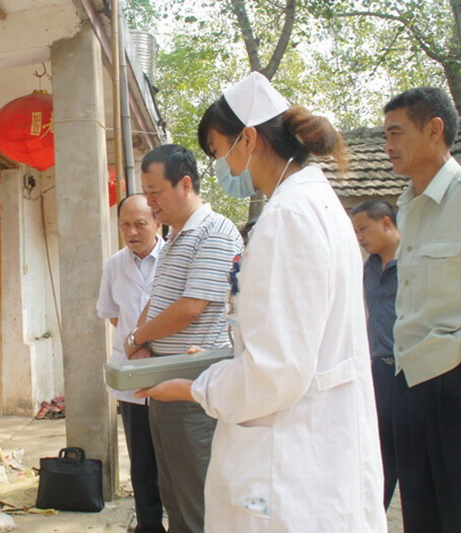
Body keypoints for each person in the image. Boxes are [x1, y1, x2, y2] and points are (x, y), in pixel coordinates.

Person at [137, 72, 385, 531]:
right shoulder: (316, 203)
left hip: (288, 456)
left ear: (248, 139)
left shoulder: (287, 218)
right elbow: (290, 337)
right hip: (314, 438)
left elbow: (276, 372)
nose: (225, 169)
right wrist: (224, 357)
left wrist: (194, 387)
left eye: (220, 152)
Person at [124, 144, 243, 532]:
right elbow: (159, 298)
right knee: (173, 491)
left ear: (186, 184)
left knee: (197, 498)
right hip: (164, 379)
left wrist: (137, 336)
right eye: (146, 192)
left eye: (155, 192)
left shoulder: (214, 232)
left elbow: (191, 306)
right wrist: (139, 341)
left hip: (194, 383)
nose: (150, 202)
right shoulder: (175, 237)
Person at [382, 87, 461, 532]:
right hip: (409, 378)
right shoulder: (407, 205)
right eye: (385, 135)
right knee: (421, 516)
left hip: (455, 382)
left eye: (396, 132)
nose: (387, 145)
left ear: (435, 130)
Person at [96, 193, 165, 533]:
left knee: (174, 458)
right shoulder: (114, 265)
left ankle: (182, 522)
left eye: (140, 224)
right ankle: (149, 526)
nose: (132, 232)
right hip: (132, 374)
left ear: (157, 223)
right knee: (141, 460)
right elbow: (112, 314)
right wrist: (134, 342)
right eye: (125, 224)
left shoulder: (173, 258)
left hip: (169, 370)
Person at [351, 200, 400, 509]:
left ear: (386, 223)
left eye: (363, 229)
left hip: (411, 369)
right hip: (379, 369)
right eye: (355, 232)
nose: (359, 237)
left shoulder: (413, 261)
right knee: (380, 455)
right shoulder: (368, 268)